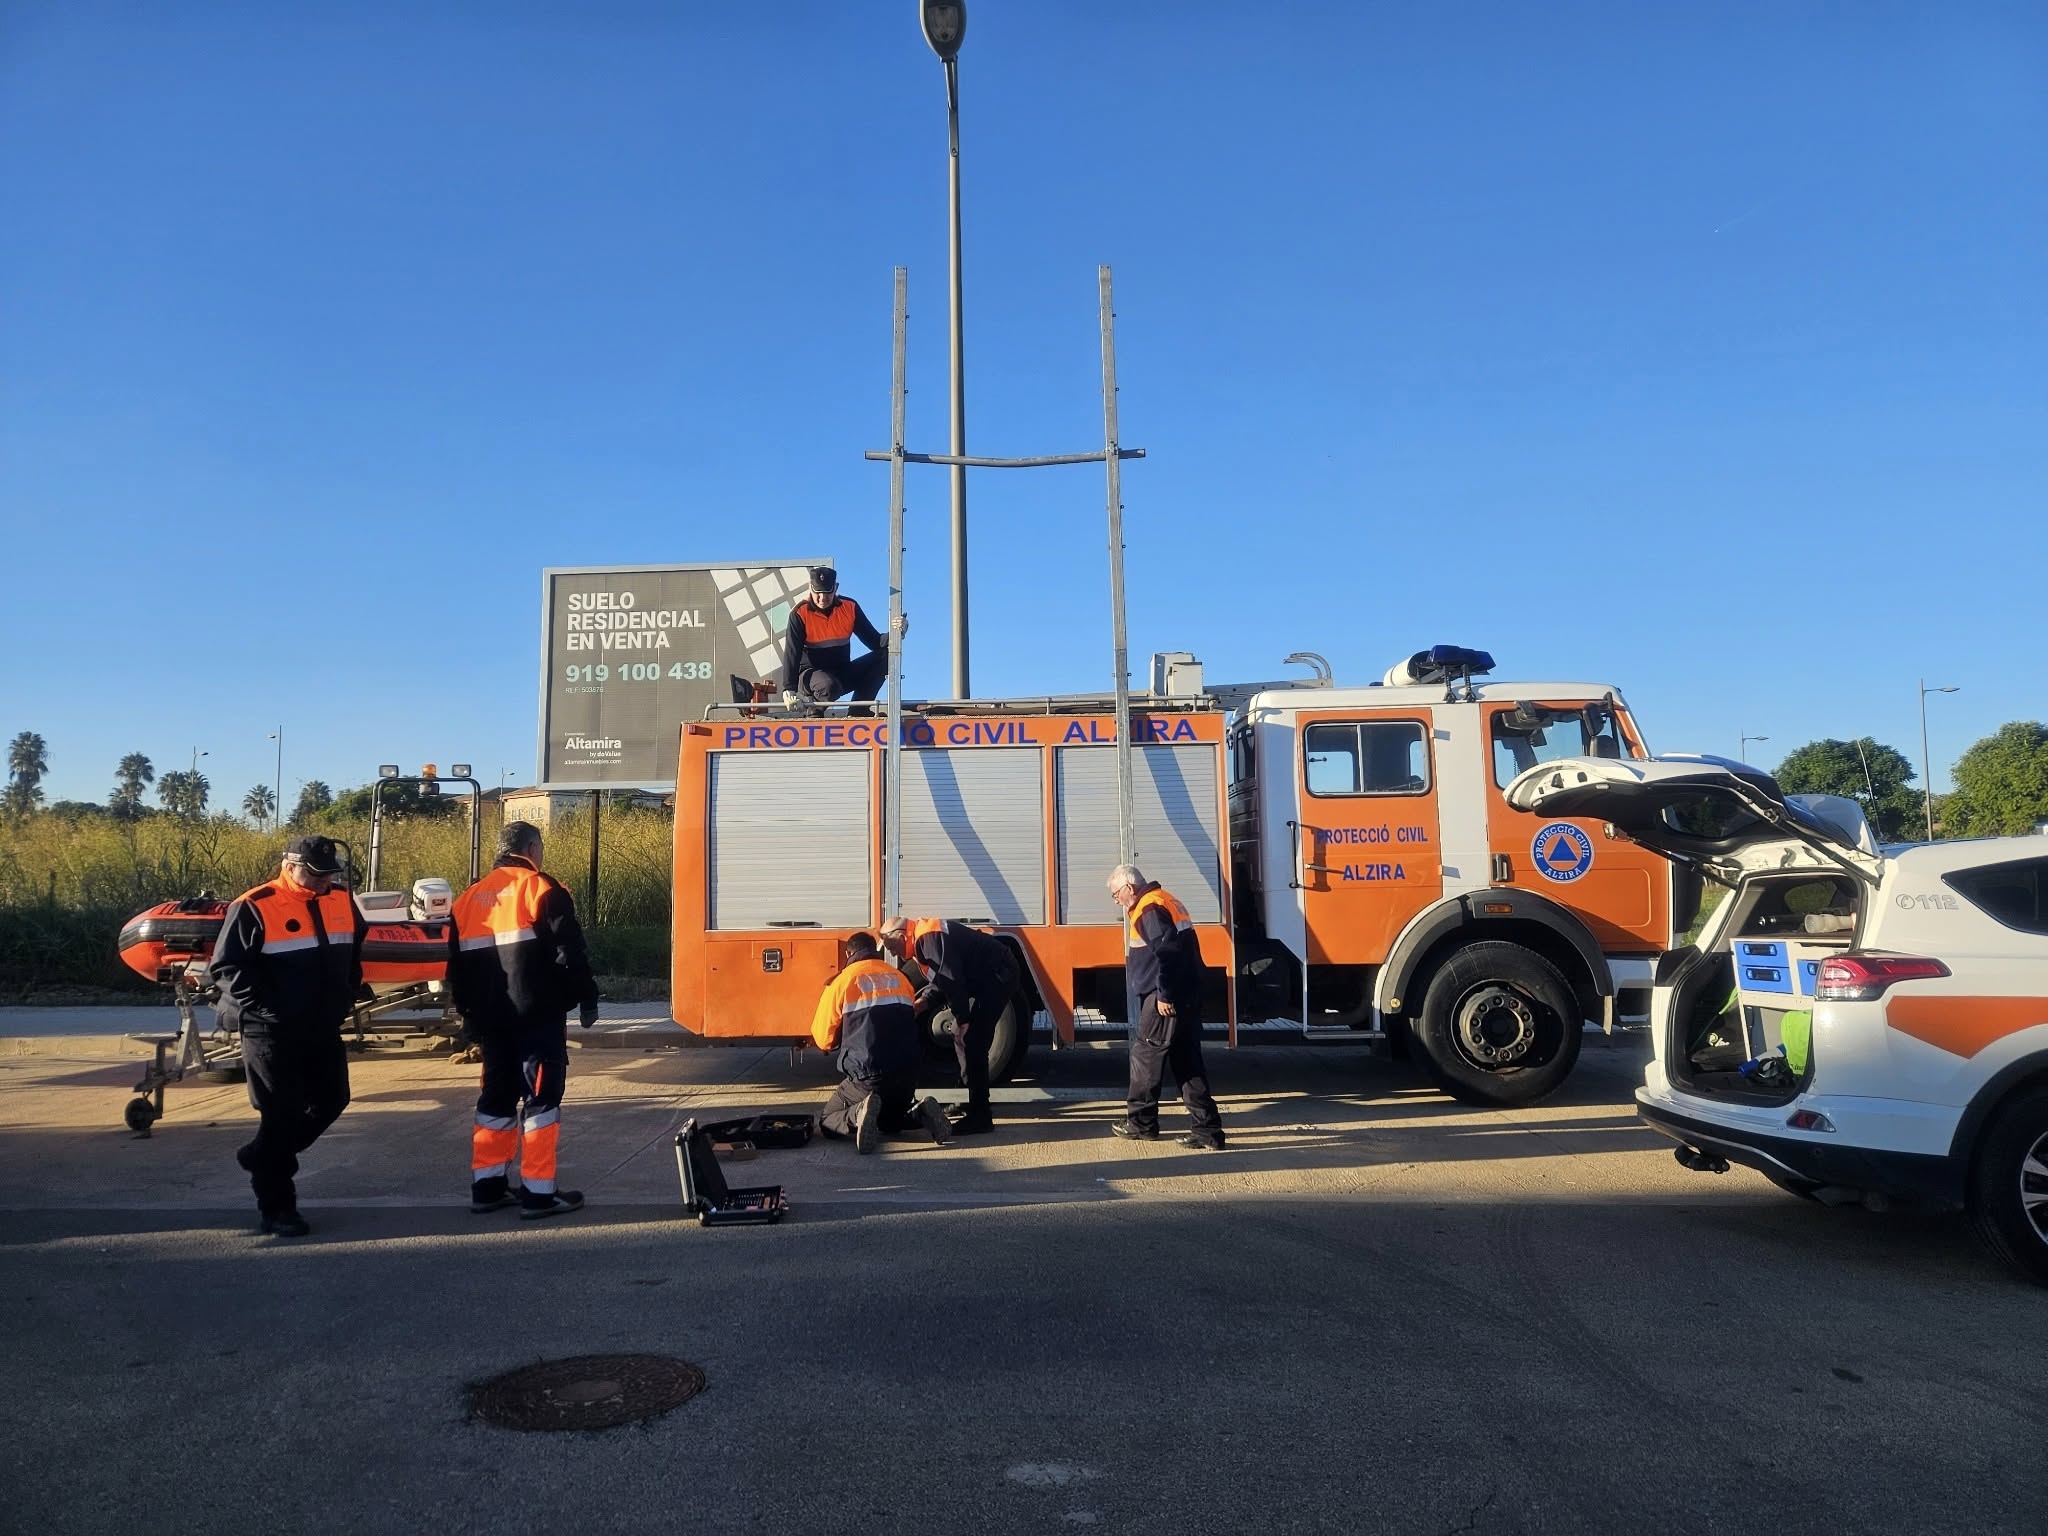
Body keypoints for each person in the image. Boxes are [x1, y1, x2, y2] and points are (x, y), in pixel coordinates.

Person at [208, 834, 368, 1238]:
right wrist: (270, 1010)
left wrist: (347, 993)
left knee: (333, 1098)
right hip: (271, 1031)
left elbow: (355, 950)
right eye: (315, 874)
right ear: (290, 865)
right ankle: (278, 1207)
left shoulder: (341, 900)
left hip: (321, 1024)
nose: (323, 881)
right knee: (281, 1115)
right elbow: (227, 969)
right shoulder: (255, 905)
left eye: (329, 874)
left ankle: (263, 1156)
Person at [447, 821, 601, 1219]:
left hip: (491, 1024)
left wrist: (469, 1021)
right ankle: (537, 1194)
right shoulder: (542, 889)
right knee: (541, 1102)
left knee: (495, 1101)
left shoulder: (467, 899)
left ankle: (488, 1187)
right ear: (532, 849)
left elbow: (456, 973)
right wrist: (586, 998)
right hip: (537, 1019)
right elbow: (570, 952)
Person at [1105, 864, 1226, 1150]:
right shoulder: (1165, 899)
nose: (1116, 901)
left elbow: (1168, 954)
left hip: (1168, 997)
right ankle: (1208, 1131)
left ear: (1129, 889)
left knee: (1146, 1055)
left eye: (1115, 894)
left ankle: (1141, 1123)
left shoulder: (1149, 909)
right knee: (1187, 1061)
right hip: (1187, 992)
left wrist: (1164, 995)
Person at [879, 915, 1018, 1136]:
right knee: (959, 1034)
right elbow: (942, 980)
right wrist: (923, 1003)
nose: (892, 952)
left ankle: (980, 1116)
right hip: (986, 978)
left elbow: (952, 980)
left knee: (973, 1040)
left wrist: (963, 1019)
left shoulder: (927, 938)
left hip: (998, 976)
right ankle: (967, 1099)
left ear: (902, 935)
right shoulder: (921, 942)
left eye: (891, 945)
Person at [811, 932, 951, 1152]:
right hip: (907, 1076)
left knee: (828, 1119)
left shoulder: (843, 981)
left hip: (867, 1076)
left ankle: (857, 1114)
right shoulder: (900, 977)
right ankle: (919, 1113)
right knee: (888, 1122)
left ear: (849, 953)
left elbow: (823, 1040)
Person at [780, 566, 898, 710]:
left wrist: (896, 632)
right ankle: (814, 711)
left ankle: (858, 710)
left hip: (841, 673)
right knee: (829, 686)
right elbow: (792, 653)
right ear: (810, 588)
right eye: (818, 592)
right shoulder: (799, 613)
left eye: (828, 593)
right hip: (812, 676)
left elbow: (875, 642)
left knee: (886, 656)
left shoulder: (849, 607)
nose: (822, 598)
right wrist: (789, 688)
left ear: (836, 588)